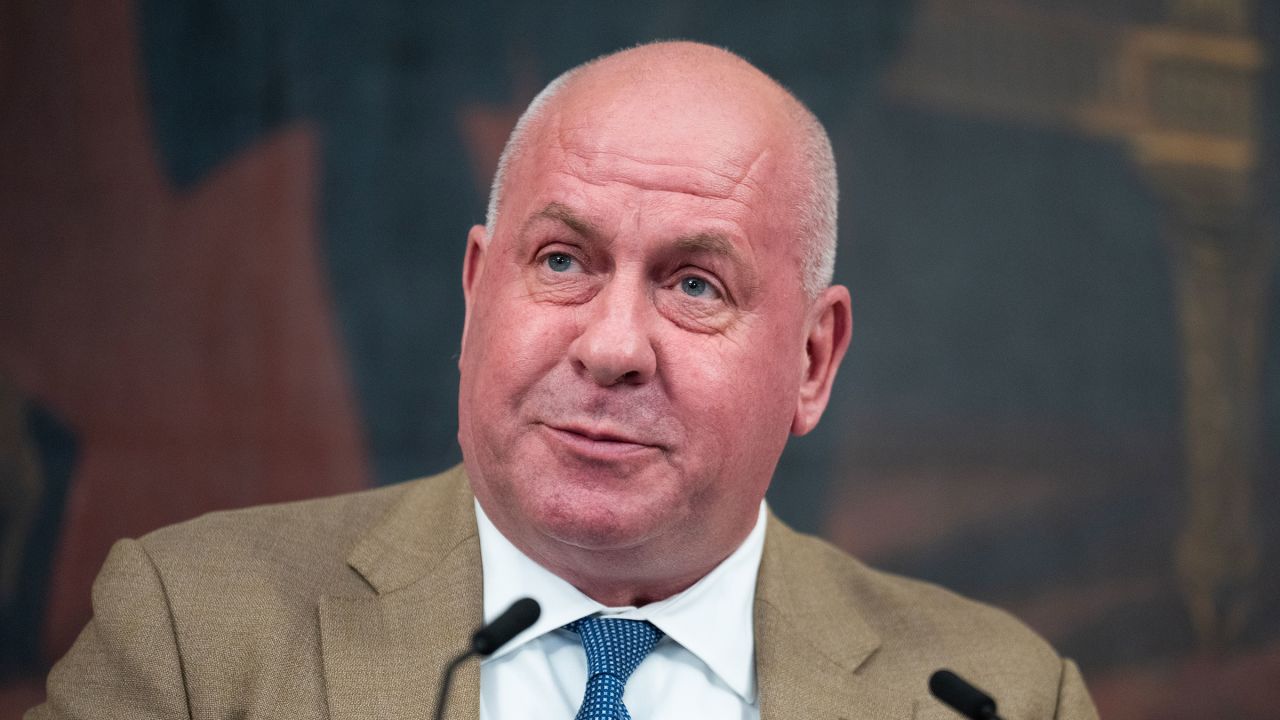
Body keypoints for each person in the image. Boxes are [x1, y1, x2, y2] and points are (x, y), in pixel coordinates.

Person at [29, 41, 1097, 719]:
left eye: (691, 283)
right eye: (560, 263)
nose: (610, 346)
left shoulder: (992, 696)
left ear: (811, 362)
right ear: (474, 291)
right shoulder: (194, 637)